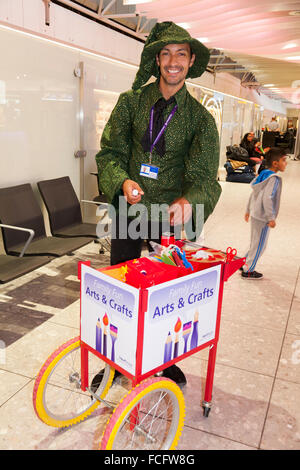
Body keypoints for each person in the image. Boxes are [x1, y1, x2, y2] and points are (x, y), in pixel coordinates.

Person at [95, 22, 221, 386]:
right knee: (122, 291)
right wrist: (122, 180)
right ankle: (116, 360)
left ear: (191, 59)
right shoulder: (130, 103)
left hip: (167, 222)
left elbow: (203, 177)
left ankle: (162, 361)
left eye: (181, 53)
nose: (173, 61)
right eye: (165, 53)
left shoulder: (200, 119)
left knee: (164, 298)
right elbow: (109, 154)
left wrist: (189, 200)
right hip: (129, 215)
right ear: (156, 59)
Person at [241, 147, 287, 279]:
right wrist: (270, 217)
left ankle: (244, 262)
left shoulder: (263, 174)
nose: (286, 164)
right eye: (284, 160)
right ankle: (248, 271)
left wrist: (248, 210)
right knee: (260, 245)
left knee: (255, 242)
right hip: (262, 217)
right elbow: (268, 198)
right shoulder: (274, 179)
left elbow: (254, 192)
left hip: (255, 213)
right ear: (275, 163)